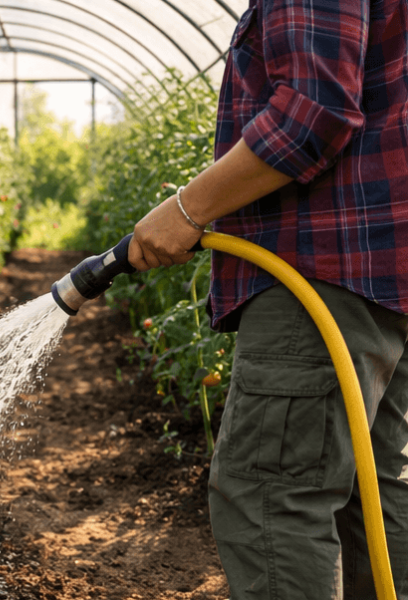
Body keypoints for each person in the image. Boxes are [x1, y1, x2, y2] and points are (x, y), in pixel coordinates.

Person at [127, 1, 408, 598]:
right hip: (380, 275)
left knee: (273, 497)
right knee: (373, 495)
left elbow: (314, 112)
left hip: (319, 268)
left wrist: (185, 210)